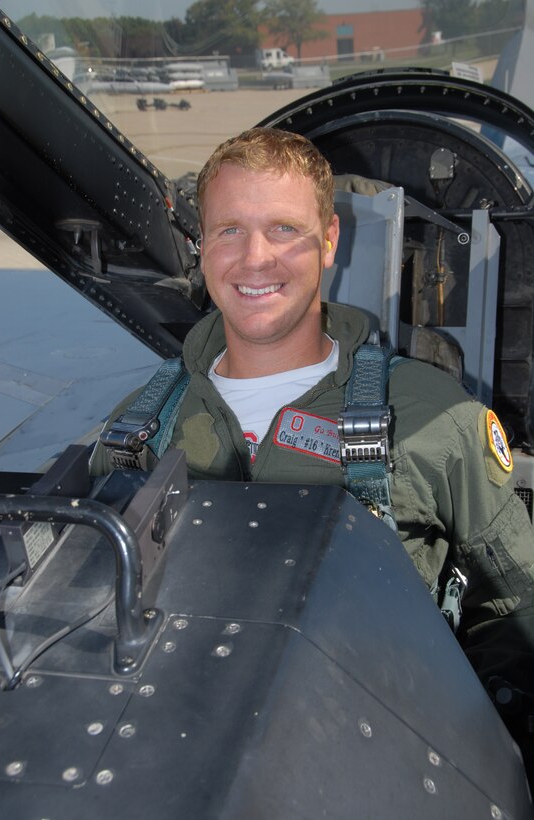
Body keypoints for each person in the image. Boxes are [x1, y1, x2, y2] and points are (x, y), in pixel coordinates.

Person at [92, 127, 534, 766]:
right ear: (201, 247)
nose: (255, 259)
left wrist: (475, 749)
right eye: (229, 230)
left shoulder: (433, 419)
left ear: (329, 241)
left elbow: (517, 606)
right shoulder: (134, 431)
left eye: (283, 230)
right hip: (176, 756)